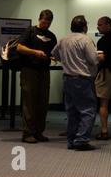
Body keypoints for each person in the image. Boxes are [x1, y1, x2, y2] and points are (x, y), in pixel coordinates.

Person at [51, 15, 103, 151]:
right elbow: (94, 59)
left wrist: (69, 60)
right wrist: (100, 57)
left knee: (71, 112)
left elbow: (54, 55)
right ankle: (81, 140)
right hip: (83, 80)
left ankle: (71, 141)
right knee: (88, 111)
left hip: (67, 79)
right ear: (85, 27)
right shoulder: (86, 40)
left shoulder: (63, 39)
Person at [17, 9, 57, 144]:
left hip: (44, 71)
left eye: (49, 23)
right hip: (29, 70)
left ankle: (38, 132)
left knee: (42, 102)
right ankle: (27, 133)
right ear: (39, 19)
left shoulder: (52, 36)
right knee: (29, 102)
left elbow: (52, 52)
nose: (46, 25)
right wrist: (34, 52)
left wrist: (53, 57)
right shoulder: (31, 31)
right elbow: (19, 48)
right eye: (44, 22)